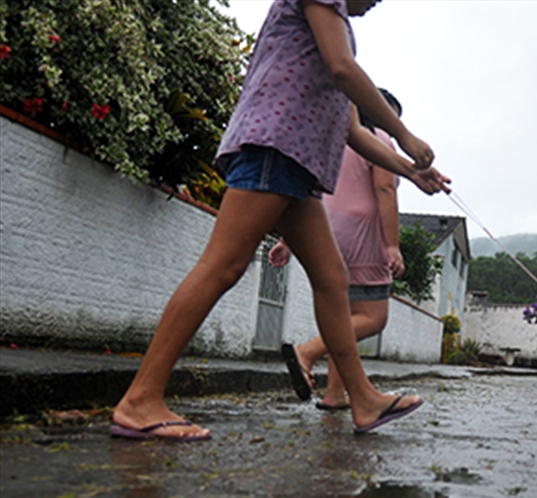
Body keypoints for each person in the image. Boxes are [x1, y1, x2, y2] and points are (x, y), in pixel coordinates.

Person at [110, 0, 449, 441]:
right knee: (223, 265)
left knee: (332, 280)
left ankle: (362, 400)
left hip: (299, 165)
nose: (375, 4)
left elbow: (354, 131)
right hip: (276, 145)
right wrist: (404, 134)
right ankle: (140, 400)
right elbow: (342, 69)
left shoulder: (338, 25)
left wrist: (409, 169)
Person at [270, 88, 406, 409]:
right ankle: (308, 351)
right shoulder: (379, 143)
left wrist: (287, 239)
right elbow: (385, 190)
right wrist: (392, 245)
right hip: (363, 234)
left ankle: (335, 395)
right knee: (373, 318)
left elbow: (307, 186)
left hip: (327, 229)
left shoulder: (333, 141)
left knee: (343, 315)